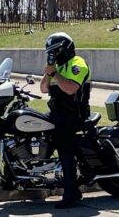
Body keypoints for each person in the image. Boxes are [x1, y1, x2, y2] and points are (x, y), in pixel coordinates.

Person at [39, 32, 92, 209]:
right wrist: (49, 71)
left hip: (74, 114)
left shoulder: (78, 64)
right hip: (58, 113)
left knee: (64, 145)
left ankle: (72, 192)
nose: (52, 56)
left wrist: (54, 72)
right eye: (50, 53)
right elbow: (43, 89)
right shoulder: (58, 67)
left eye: (55, 52)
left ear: (64, 49)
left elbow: (70, 89)